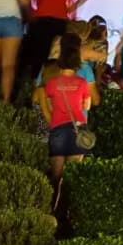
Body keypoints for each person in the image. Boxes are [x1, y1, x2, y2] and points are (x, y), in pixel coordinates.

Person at [35, 35, 98, 182]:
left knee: (55, 176)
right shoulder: (83, 79)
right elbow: (88, 104)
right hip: (78, 128)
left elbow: (47, 102)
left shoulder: (51, 77)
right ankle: (68, 202)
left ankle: (55, 201)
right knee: (72, 175)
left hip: (58, 128)